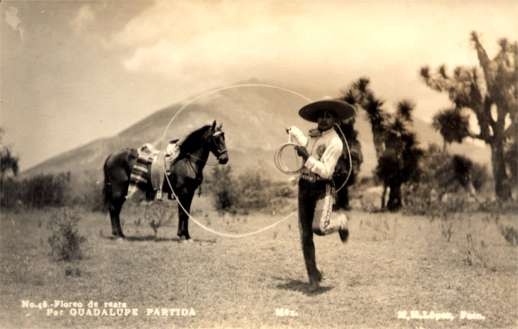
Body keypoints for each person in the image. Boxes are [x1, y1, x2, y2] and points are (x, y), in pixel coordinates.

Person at [288, 99, 355, 291]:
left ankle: (341, 221)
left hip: (321, 189)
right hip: (304, 188)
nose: (323, 119)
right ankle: (313, 277)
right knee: (305, 235)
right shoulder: (313, 136)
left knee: (320, 228)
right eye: (321, 116)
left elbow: (325, 171)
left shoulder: (335, 142)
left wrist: (306, 158)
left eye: (328, 116)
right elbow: (304, 145)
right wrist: (293, 132)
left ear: (335, 119)